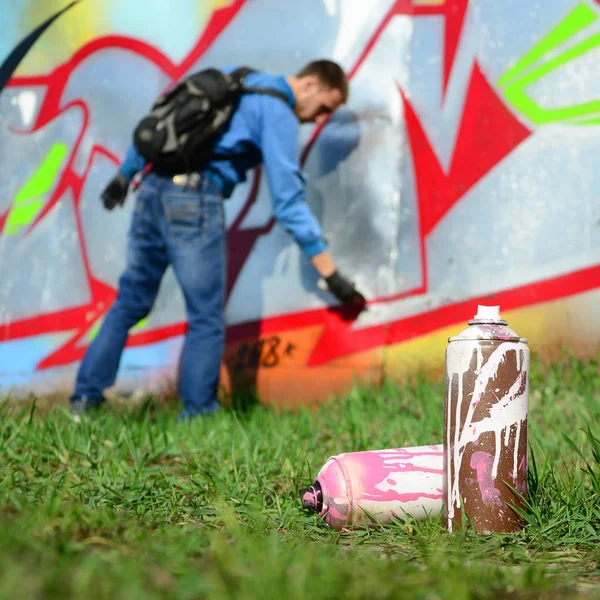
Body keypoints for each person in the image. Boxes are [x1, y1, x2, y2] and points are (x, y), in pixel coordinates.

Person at [70, 59, 366, 420]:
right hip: (194, 201)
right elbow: (288, 203)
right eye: (324, 108)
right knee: (205, 316)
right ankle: (198, 414)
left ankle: (84, 400)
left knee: (131, 300)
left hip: (150, 189)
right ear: (308, 85)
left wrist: (126, 173)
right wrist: (331, 274)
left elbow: (163, 119)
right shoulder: (278, 112)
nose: (319, 119)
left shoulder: (237, 80)